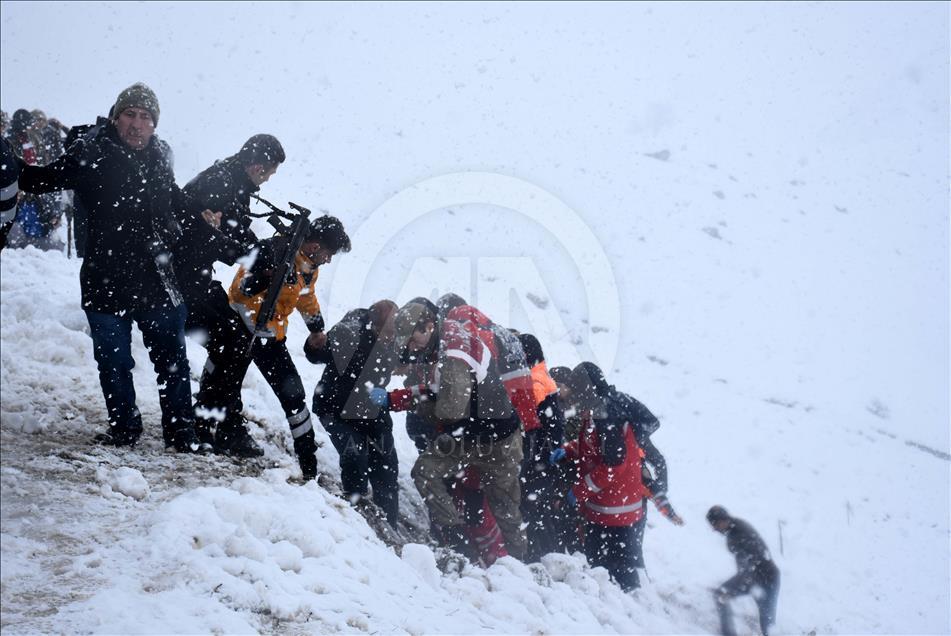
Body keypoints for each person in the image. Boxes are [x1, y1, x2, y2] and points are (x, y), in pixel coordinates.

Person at [18, 83, 207, 452]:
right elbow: (39, 180)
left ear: (155, 124)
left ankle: (181, 431)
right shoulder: (92, 152)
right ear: (116, 116)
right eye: (130, 114)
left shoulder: (160, 155)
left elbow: (175, 201)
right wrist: (9, 166)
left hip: (156, 275)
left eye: (146, 117)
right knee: (114, 363)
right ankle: (124, 428)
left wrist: (207, 221)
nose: (137, 124)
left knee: (172, 362)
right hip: (106, 278)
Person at [194, 215, 350, 480]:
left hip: (271, 336)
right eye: (329, 253)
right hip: (239, 329)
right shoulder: (272, 250)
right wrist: (268, 277)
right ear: (314, 246)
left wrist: (317, 328)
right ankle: (206, 430)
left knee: (294, 395)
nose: (329, 259)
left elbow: (306, 295)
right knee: (222, 382)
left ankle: (308, 462)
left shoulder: (309, 265)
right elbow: (241, 289)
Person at [389, 298, 528, 560]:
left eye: (412, 339)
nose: (411, 347)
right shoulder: (447, 333)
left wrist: (416, 405)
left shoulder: (451, 356)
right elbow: (440, 392)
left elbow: (449, 408)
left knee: (504, 508)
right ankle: (459, 541)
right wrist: (394, 400)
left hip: (491, 438)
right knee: (503, 508)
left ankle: (515, 568)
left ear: (429, 326)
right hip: (480, 431)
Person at [176, 134, 285, 455]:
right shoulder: (221, 184)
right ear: (255, 166)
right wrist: (254, 256)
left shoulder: (229, 179)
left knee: (234, 340)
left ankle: (212, 415)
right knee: (233, 342)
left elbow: (235, 227)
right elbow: (206, 238)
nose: (266, 180)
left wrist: (261, 250)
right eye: (267, 172)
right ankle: (222, 424)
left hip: (192, 276)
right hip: (180, 280)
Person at [549, 363, 654, 591]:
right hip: (609, 505)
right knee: (604, 561)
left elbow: (612, 465)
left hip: (616, 509)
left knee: (615, 568)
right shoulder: (598, 407)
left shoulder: (608, 416)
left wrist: (578, 491)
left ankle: (630, 607)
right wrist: (566, 451)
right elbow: (592, 447)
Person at [305, 300, 400, 525]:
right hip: (336, 409)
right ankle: (354, 520)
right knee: (355, 457)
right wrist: (314, 345)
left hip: (371, 408)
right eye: (388, 333)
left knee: (387, 466)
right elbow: (320, 352)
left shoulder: (397, 337)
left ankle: (389, 526)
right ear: (374, 326)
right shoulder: (351, 332)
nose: (391, 339)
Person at [515, 333, 567, 561]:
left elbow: (525, 415)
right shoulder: (542, 374)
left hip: (538, 458)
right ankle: (551, 557)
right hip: (546, 457)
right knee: (541, 511)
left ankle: (540, 559)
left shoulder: (535, 381)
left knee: (533, 510)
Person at [707, 506, 781, 636]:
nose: (714, 529)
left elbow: (748, 565)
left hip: (766, 578)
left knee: (767, 624)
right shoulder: (735, 528)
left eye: (714, 524)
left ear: (721, 521)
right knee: (767, 623)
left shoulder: (738, 535)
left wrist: (738, 585)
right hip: (760, 576)